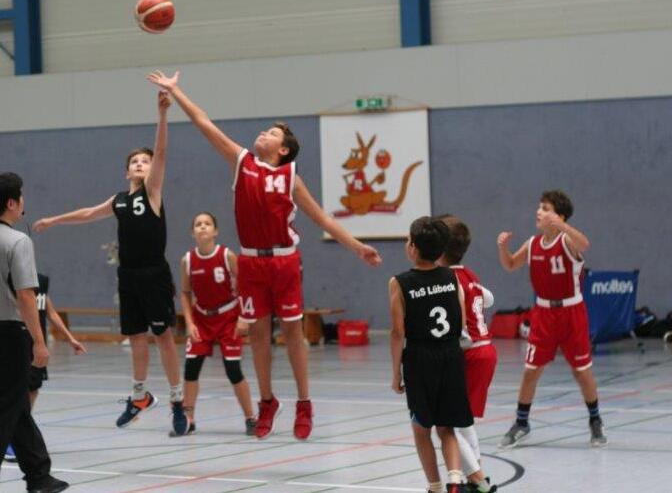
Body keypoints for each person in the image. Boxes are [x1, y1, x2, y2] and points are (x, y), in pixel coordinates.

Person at [147, 70, 381, 440]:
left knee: (292, 332)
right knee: (257, 336)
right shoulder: (242, 163)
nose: (263, 134)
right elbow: (204, 123)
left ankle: (304, 403)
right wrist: (176, 92)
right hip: (251, 262)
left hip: (285, 261)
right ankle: (268, 401)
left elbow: (321, 217)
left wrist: (356, 246)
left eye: (272, 134)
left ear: (284, 149)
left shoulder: (290, 177)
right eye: (265, 130)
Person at [33, 92, 189, 436]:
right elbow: (89, 213)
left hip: (154, 274)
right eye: (134, 161)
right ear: (125, 171)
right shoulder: (119, 200)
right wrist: (54, 220)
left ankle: (178, 402)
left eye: (144, 161)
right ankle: (139, 396)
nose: (140, 163)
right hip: (128, 276)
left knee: (162, 337)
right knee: (135, 337)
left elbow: (161, 151)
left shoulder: (153, 192)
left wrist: (162, 114)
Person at [0, 172, 68, 493]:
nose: (24, 202)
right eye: (21, 197)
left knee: (14, 404)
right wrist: (39, 341)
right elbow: (25, 296)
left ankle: (39, 475)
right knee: (3, 408)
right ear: (10, 203)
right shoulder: (19, 241)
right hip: (9, 335)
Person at [497, 190, 606, 448]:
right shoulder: (533, 243)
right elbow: (511, 264)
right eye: (539, 207)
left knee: (582, 372)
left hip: (571, 313)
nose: (539, 212)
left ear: (559, 216)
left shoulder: (568, 241)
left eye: (545, 208)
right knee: (531, 371)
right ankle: (522, 422)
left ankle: (595, 420)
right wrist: (503, 248)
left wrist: (565, 227)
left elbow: (585, 245)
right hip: (543, 314)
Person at [389, 216, 470, 493]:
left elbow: (397, 332)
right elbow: (462, 318)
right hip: (450, 354)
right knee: (447, 428)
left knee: (421, 429)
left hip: (420, 359)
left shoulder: (400, 283)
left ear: (413, 247)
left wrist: (395, 372)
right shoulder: (451, 277)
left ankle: (435, 487)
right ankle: (456, 481)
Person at [177, 211, 256, 436]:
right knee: (191, 369)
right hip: (201, 318)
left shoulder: (226, 255)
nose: (203, 227)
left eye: (207, 223)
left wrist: (244, 316)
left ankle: (251, 418)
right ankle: (188, 418)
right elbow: (184, 293)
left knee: (233, 370)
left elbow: (246, 285)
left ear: (215, 231)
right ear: (193, 233)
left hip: (228, 317)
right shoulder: (188, 260)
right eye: (198, 224)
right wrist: (190, 323)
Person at [437, 216, 498, 493]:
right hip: (486, 350)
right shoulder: (470, 274)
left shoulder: (447, 280)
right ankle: (476, 477)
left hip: (470, 352)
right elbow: (489, 299)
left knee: (445, 422)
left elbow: (460, 330)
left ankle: (477, 478)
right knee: (464, 419)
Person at [5, 273, 86, 463]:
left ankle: (18, 433)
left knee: (33, 389)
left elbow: (51, 312)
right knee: (17, 392)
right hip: (17, 342)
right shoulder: (10, 280)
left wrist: (70, 338)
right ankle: (11, 438)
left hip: (37, 346)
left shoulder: (40, 280)